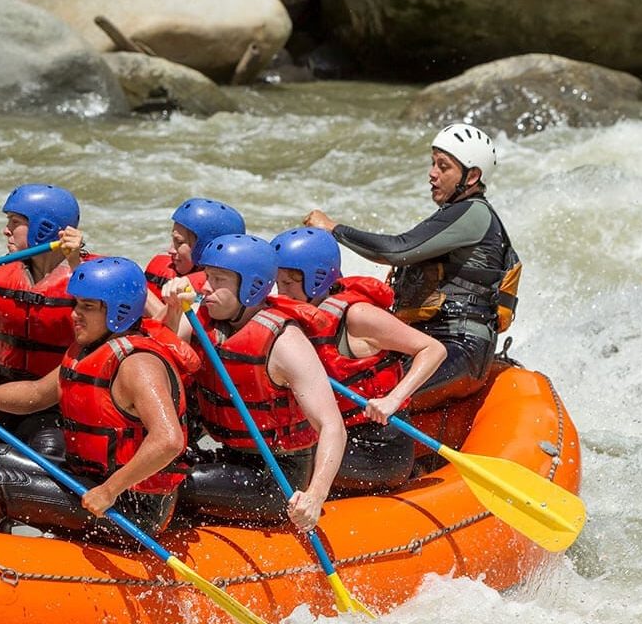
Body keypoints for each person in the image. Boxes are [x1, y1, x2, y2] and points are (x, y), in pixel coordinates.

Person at [0, 257, 200, 548]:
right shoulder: (88, 349)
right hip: (90, 480)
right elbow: (37, 394)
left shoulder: (137, 365)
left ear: (121, 311)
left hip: (134, 505)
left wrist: (110, 490)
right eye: (76, 304)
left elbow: (169, 440)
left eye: (87, 307)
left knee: (1, 484)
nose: (75, 315)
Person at [303, 123, 520, 407]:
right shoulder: (454, 213)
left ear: (472, 176)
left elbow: (397, 250)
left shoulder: (474, 213)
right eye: (433, 163)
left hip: (459, 347)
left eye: (443, 166)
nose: (432, 173)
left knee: (365, 389)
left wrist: (333, 228)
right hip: (429, 340)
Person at [161, 234, 346, 531]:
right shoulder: (202, 316)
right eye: (207, 276)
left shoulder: (285, 342)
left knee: (165, 486)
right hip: (226, 452)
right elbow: (163, 353)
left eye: (218, 280)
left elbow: (332, 426)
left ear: (252, 288)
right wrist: (172, 307)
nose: (205, 288)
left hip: (275, 477)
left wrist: (315, 496)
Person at [271, 226, 446, 493]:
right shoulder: (293, 317)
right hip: (332, 437)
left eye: (288, 283)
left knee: (293, 463)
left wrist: (393, 400)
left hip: (378, 448)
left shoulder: (357, 316)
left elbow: (433, 350)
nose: (281, 292)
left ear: (316, 279)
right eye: (277, 282)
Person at [0, 184, 87, 477]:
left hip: (55, 404)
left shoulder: (88, 278)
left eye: (14, 222)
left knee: (46, 453)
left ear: (44, 228)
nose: (5, 230)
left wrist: (76, 260)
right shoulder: (1, 272)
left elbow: (129, 315)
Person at [143, 198, 246, 308]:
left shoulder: (216, 290)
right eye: (173, 240)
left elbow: (175, 324)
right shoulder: (163, 264)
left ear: (205, 248)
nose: (170, 250)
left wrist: (140, 292)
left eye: (179, 242)